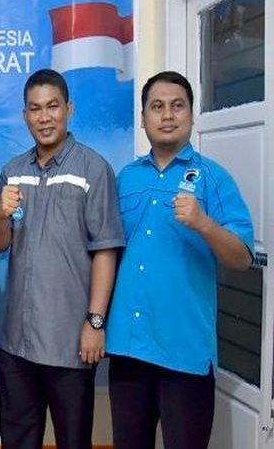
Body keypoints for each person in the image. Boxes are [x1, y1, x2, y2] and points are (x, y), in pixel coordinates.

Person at [106, 71, 254, 449]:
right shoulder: (125, 178)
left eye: (177, 106)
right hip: (128, 348)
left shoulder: (213, 178)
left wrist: (204, 223)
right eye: (157, 107)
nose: (167, 115)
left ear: (191, 114)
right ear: (143, 118)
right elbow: (108, 252)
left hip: (184, 353)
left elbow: (241, 258)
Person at [0, 69, 124, 449]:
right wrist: (0, 213)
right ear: (25, 115)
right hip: (18, 344)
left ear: (69, 109)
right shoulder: (13, 172)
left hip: (71, 345)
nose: (44, 117)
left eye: (52, 106)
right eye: (35, 109)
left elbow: (106, 249)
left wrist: (95, 322)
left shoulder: (93, 169)